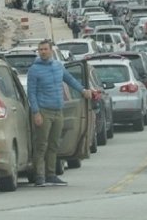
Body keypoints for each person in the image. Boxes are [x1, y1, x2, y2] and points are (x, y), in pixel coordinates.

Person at [26, 40, 93, 187]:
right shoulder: (34, 70)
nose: (42, 52)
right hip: (43, 111)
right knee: (41, 144)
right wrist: (36, 112)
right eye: (40, 49)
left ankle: (51, 174)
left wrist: (83, 90)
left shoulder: (58, 66)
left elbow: (69, 79)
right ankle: (39, 176)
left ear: (51, 50)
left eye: (45, 49)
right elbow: (31, 93)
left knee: (54, 144)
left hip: (58, 110)